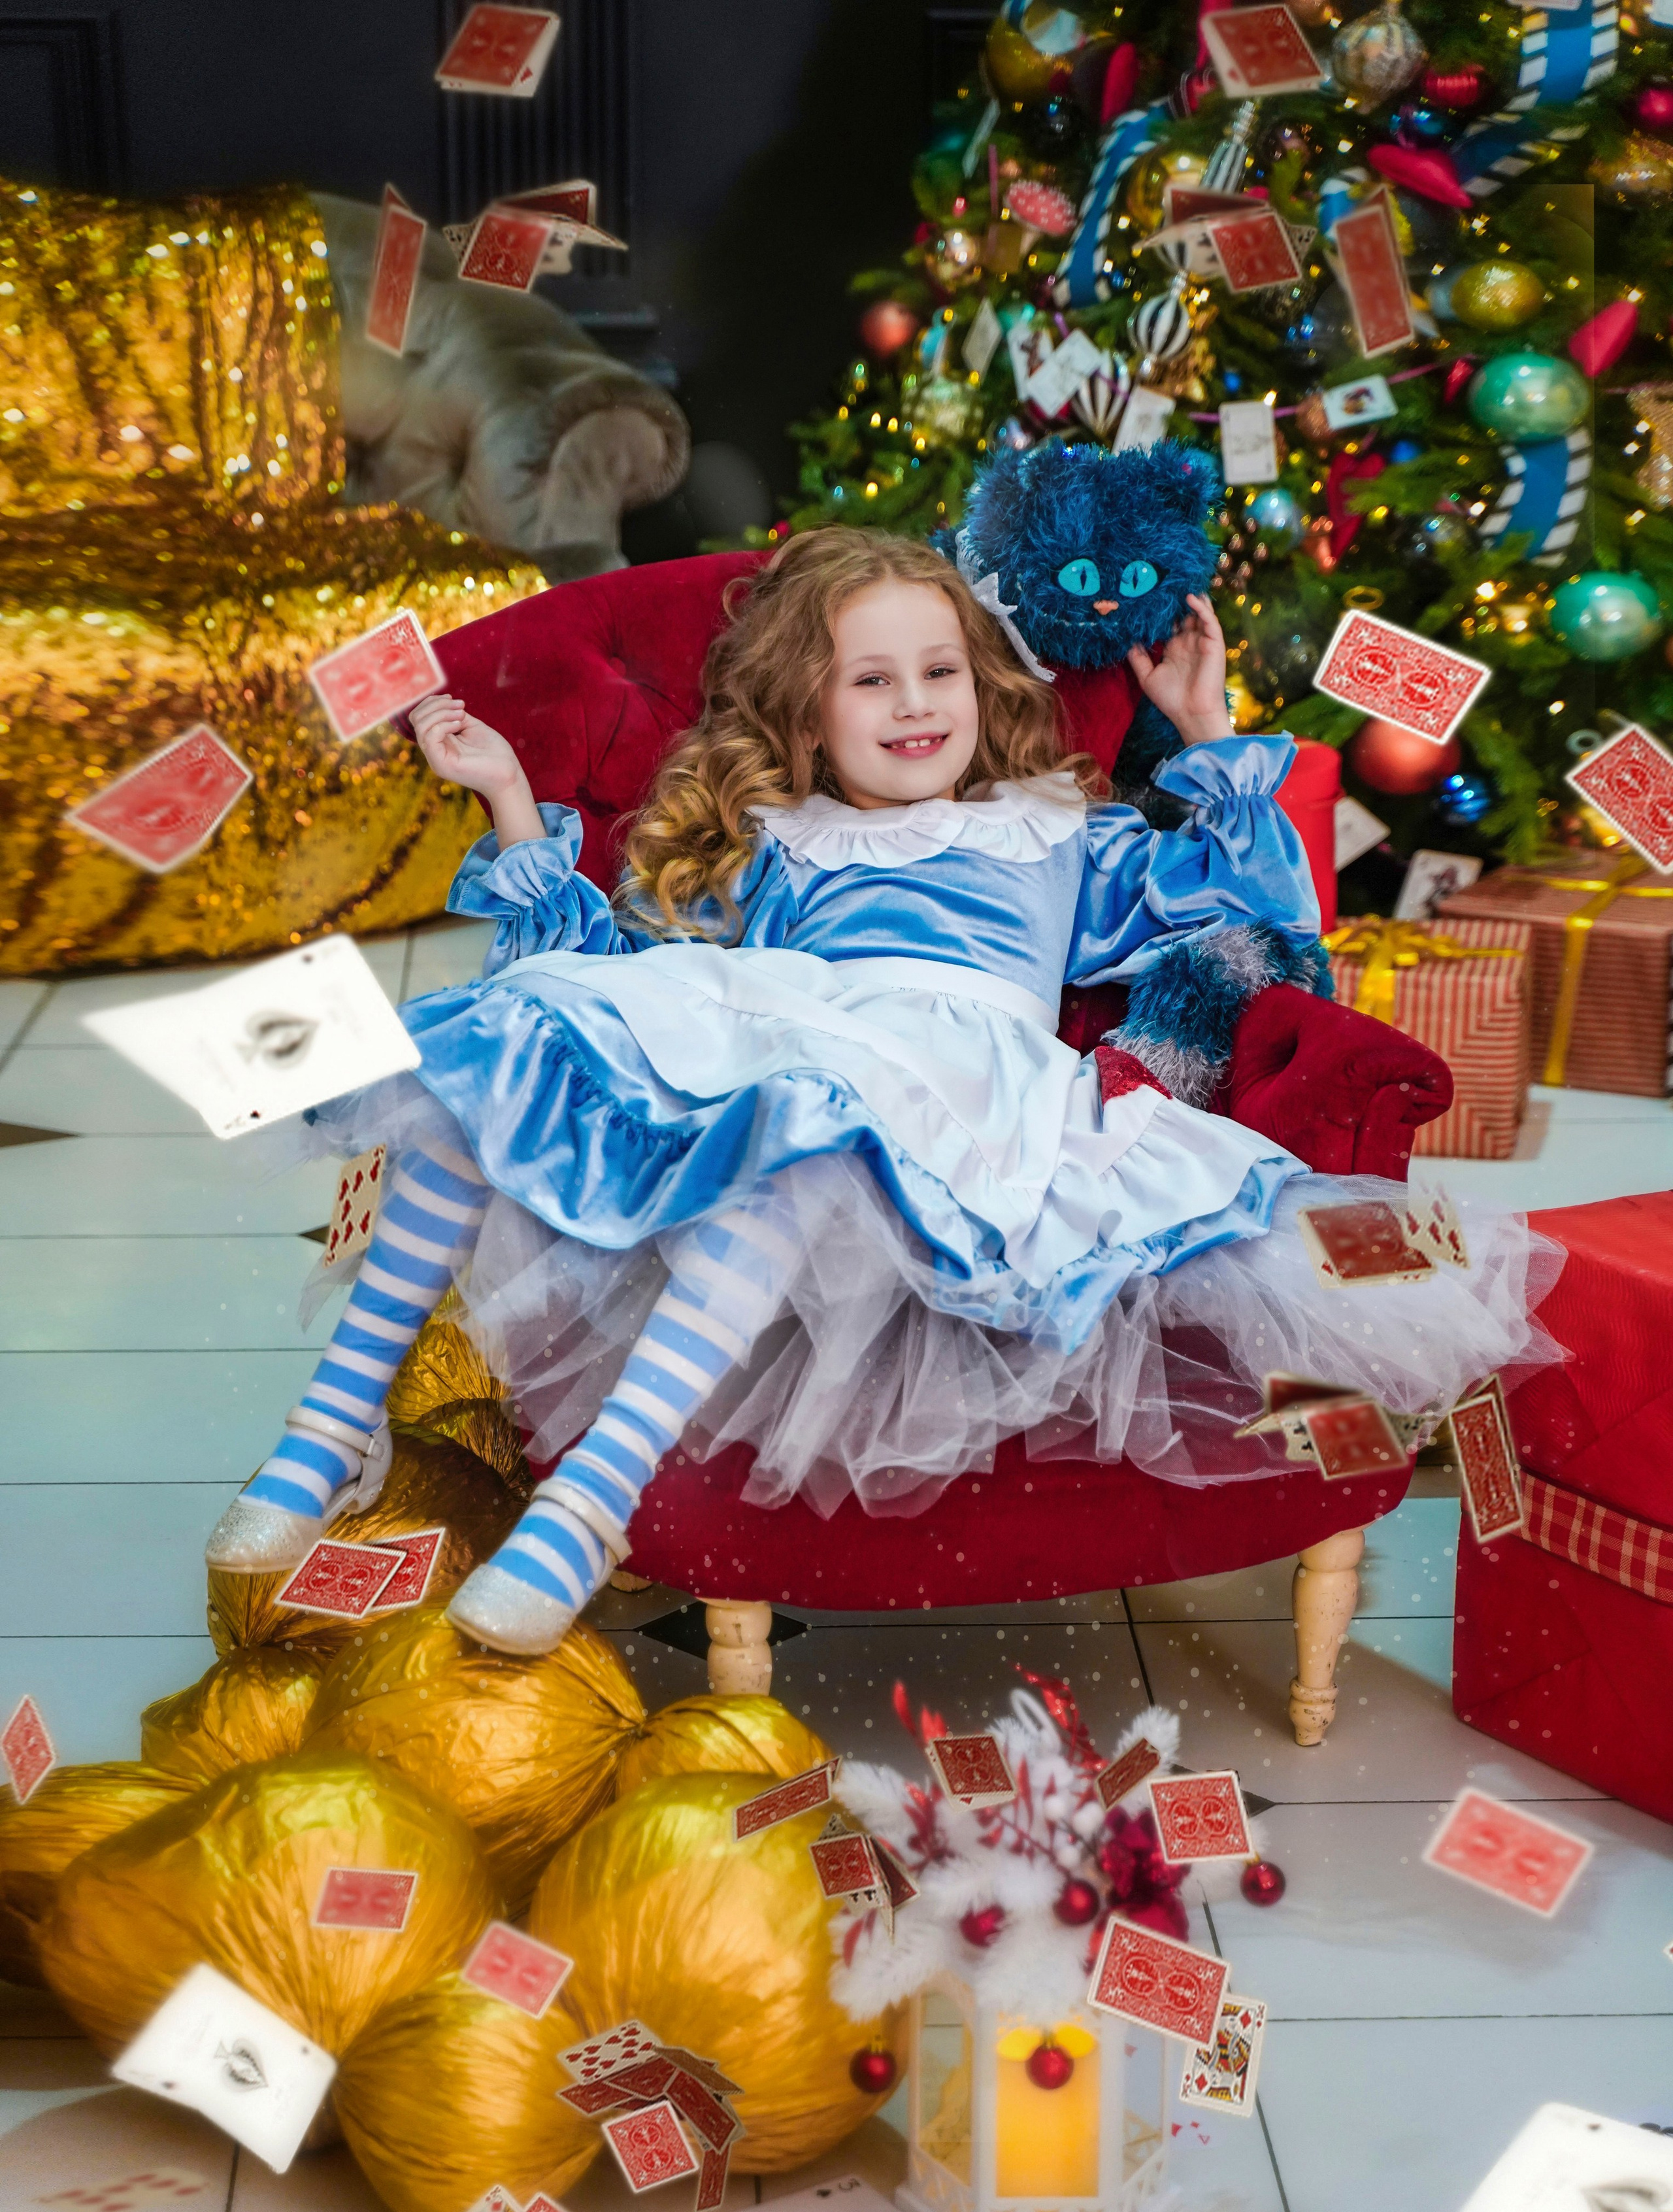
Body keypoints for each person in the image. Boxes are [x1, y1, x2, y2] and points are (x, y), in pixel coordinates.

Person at [205, 526, 1556, 1654]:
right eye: (868, 681)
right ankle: (332, 1426)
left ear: (980, 687)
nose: (913, 704)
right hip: (791, 1034)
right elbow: (613, 969)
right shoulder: (779, 844)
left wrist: (1203, 724)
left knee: (811, 1119)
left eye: (936, 672)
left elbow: (1256, 925)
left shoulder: (1053, 830)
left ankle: (590, 1499)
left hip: (962, 1099)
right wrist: (508, 798)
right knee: (501, 1043)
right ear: (802, 712)